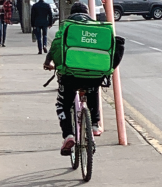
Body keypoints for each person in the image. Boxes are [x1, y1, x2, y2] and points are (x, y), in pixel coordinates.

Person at [43, 2, 103, 156]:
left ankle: (68, 134)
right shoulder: (95, 27)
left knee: (62, 104)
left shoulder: (67, 26)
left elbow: (56, 46)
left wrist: (48, 62)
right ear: (87, 12)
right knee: (93, 89)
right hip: (93, 74)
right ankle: (95, 124)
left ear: (72, 13)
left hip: (70, 76)